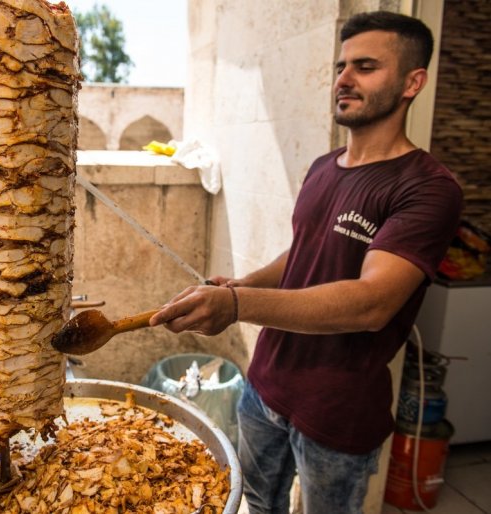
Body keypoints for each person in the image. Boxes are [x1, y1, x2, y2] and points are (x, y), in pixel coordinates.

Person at [149, 11, 463, 514]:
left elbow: (371, 304)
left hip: (338, 412)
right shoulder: (324, 167)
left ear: (413, 82)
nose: (343, 79)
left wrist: (237, 304)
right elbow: (303, 250)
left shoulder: (427, 188)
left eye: (365, 66)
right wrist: (245, 283)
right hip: (265, 385)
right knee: (255, 501)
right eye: (341, 66)